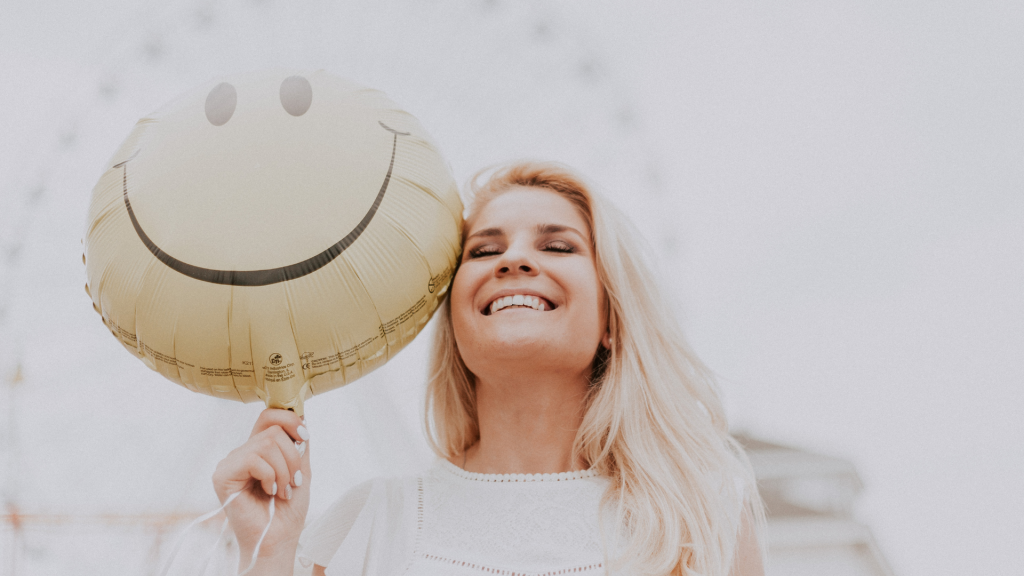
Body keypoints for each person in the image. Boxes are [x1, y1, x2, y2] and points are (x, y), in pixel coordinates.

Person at [213, 162, 766, 576]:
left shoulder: (700, 521)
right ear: (454, 322)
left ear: (612, 320)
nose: (514, 260)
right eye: (482, 251)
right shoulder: (371, 524)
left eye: (557, 245)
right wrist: (269, 550)